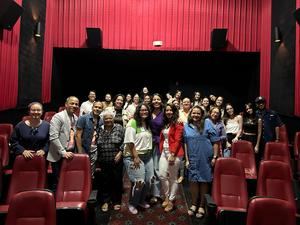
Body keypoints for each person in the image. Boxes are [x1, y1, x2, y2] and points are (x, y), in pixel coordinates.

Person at [184, 105, 220, 218]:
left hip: (205, 158)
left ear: (202, 114)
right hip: (192, 158)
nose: (195, 115)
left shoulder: (208, 123)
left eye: (198, 113)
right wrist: (187, 158)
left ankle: (201, 205)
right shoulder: (186, 126)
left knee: (204, 181)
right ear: (190, 114)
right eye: (193, 113)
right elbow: (185, 143)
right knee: (193, 181)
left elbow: (216, 141)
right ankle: (194, 204)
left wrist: (214, 157)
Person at [123, 103, 153, 215]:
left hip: (147, 156)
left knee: (149, 180)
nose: (144, 112)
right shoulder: (132, 122)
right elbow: (130, 141)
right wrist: (135, 157)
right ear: (138, 111)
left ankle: (141, 200)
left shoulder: (147, 123)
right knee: (139, 182)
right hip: (133, 156)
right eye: (141, 110)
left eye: (146, 110)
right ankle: (132, 203)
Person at [47, 96, 79, 191]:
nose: (74, 105)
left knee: (67, 181)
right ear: (66, 104)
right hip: (59, 154)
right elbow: (53, 137)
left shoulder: (76, 118)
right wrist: (63, 152)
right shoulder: (58, 117)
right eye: (72, 103)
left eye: (76, 104)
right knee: (58, 182)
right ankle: (55, 203)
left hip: (70, 152)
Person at [97, 111, 124, 212]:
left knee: (117, 181)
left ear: (113, 119)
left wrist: (120, 152)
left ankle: (117, 201)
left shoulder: (119, 128)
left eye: (110, 118)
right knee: (105, 181)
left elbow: (125, 141)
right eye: (106, 119)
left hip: (116, 160)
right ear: (103, 120)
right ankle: (106, 201)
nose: (108, 120)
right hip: (103, 160)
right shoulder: (100, 129)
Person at [158, 103, 184, 212]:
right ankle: (167, 196)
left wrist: (173, 155)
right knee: (162, 175)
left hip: (175, 154)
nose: (169, 112)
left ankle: (171, 200)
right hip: (164, 152)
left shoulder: (178, 123)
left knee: (173, 178)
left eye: (171, 110)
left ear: (174, 111)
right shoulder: (165, 123)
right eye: (167, 110)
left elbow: (178, 140)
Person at [75, 101, 103, 179]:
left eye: (99, 108)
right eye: (96, 107)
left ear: (102, 110)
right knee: (81, 170)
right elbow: (78, 135)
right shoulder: (83, 118)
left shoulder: (101, 121)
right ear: (92, 107)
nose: (97, 109)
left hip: (94, 149)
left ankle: (88, 187)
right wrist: (80, 151)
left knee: (91, 171)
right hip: (84, 148)